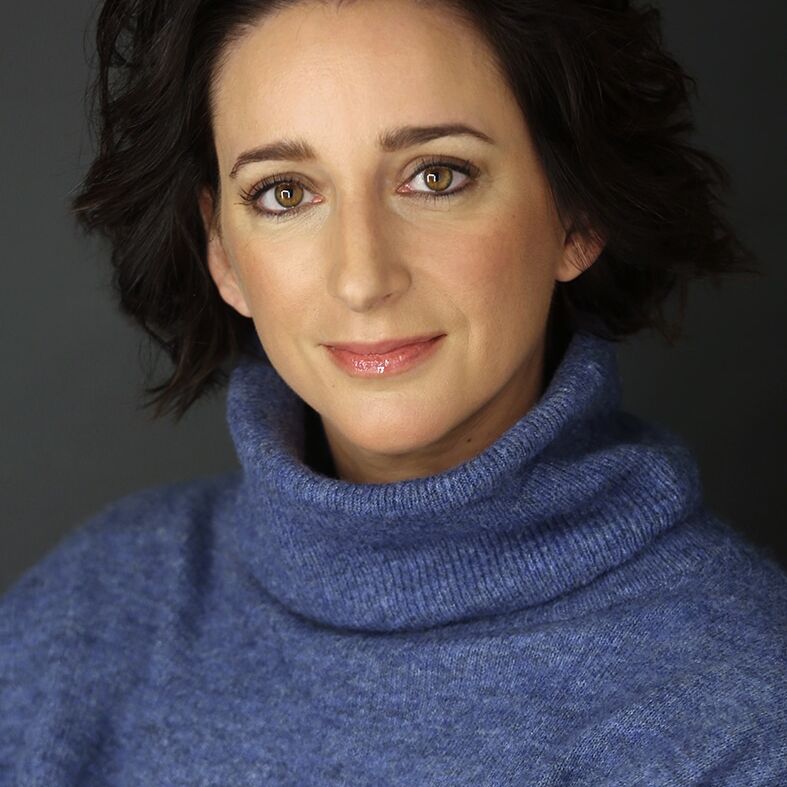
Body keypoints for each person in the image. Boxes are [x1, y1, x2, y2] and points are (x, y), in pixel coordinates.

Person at [1, 0, 784, 783]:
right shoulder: (86, 613)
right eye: (284, 192)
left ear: (575, 212)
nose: (362, 277)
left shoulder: (739, 707)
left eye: (435, 176)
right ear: (223, 251)